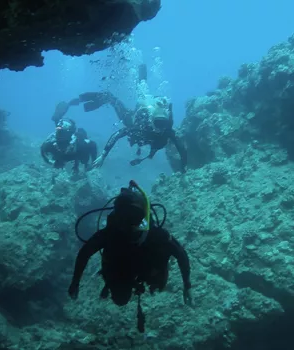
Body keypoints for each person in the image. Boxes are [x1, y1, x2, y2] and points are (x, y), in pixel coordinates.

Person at [68, 181, 192, 332]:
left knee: (156, 277)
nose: (130, 226)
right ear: (118, 219)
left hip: (143, 265)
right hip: (122, 267)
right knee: (120, 299)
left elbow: (180, 253)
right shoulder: (111, 234)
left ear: (143, 219)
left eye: (134, 220)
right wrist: (75, 282)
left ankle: (149, 280)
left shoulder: (154, 234)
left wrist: (187, 285)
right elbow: (84, 253)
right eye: (124, 221)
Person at [50, 64, 188, 171]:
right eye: (157, 124)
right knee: (112, 98)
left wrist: (184, 165)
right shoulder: (141, 125)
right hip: (132, 119)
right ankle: (79, 99)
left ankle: (141, 78)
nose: (160, 128)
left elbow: (181, 148)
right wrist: (104, 155)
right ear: (152, 121)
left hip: (145, 130)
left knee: (139, 92)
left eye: (163, 125)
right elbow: (118, 134)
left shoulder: (168, 131)